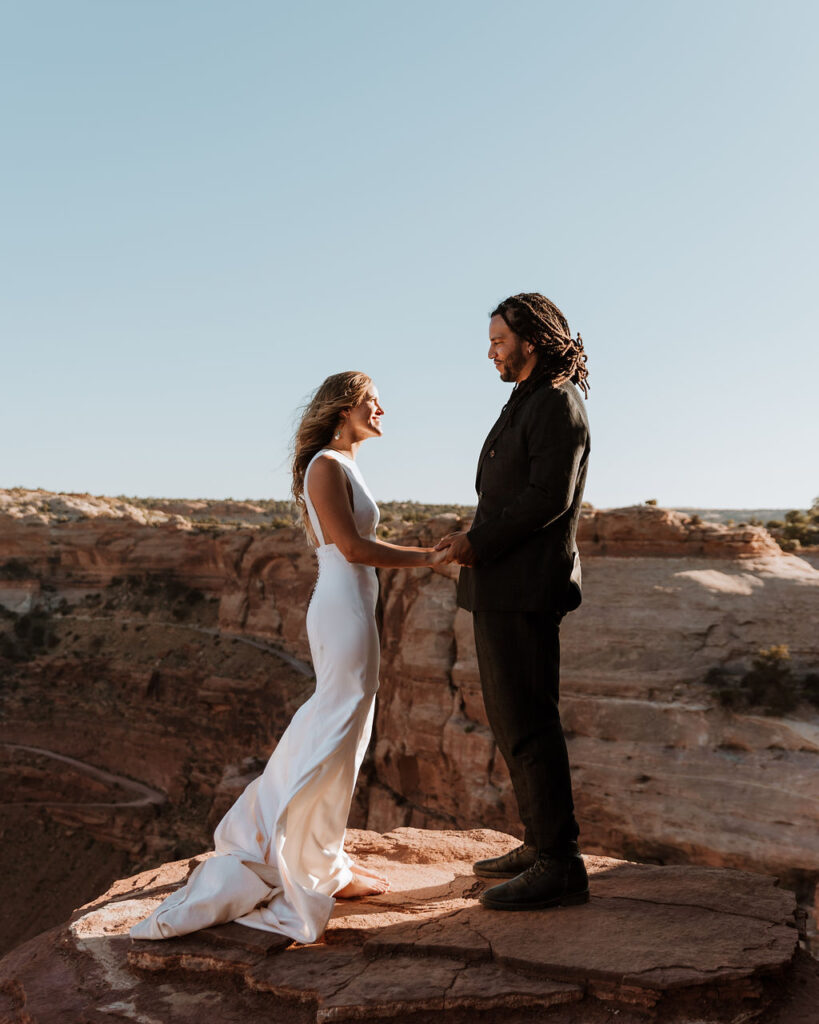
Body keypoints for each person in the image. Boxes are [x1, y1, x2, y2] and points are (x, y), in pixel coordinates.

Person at [131, 371, 447, 944]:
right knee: (334, 722)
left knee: (346, 731)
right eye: (373, 402)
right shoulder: (325, 464)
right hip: (342, 605)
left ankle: (323, 859)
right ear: (344, 408)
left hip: (352, 602)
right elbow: (350, 548)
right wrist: (431, 558)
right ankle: (284, 849)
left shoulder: (342, 463)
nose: (383, 411)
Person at [436, 293, 591, 912]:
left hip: (525, 587)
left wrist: (477, 541)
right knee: (511, 719)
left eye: (499, 340)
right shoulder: (528, 398)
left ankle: (560, 862)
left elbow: (546, 498)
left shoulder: (557, 402)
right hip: (503, 585)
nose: (491, 352)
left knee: (529, 722)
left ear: (531, 338)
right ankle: (540, 843)